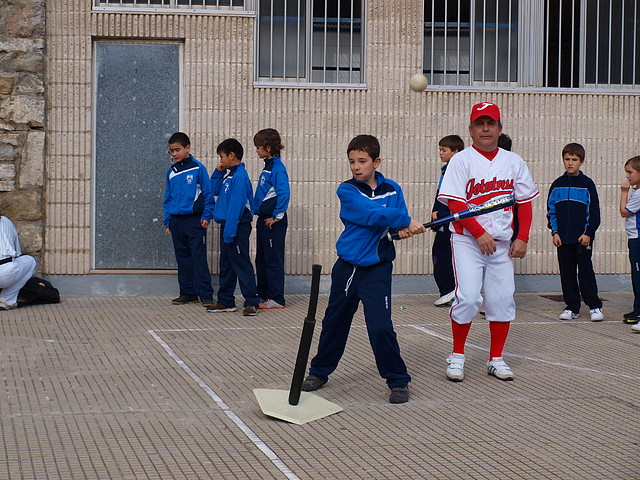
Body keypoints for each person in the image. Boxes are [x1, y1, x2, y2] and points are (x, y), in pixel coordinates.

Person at [301, 134, 426, 404]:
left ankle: (398, 380)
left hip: (377, 270)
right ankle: (319, 372)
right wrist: (404, 219)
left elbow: (393, 224)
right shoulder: (346, 191)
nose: (356, 167)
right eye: (351, 162)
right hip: (347, 268)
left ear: (376, 161)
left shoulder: (393, 189)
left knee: (381, 327)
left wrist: (401, 230)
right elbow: (369, 214)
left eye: (362, 161)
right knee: (334, 323)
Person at [437, 102, 539, 382]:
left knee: (502, 300)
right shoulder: (461, 160)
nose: (485, 128)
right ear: (470, 130)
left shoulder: (513, 161)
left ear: (499, 128)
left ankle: (496, 359)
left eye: (490, 123)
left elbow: (525, 203)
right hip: (468, 241)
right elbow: (456, 204)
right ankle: (457, 355)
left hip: (502, 244)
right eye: (480, 123)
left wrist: (522, 236)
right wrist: (479, 233)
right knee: (468, 298)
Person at [547, 143, 603, 322]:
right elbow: (551, 211)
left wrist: (588, 233)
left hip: (582, 238)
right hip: (562, 238)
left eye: (574, 160)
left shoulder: (587, 185)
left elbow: (594, 213)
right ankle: (572, 307)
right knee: (567, 272)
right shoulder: (557, 185)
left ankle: (594, 306)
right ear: (563, 160)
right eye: (567, 159)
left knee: (585, 271)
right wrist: (555, 232)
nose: (570, 163)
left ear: (582, 162)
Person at [207, 138, 260, 317]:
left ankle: (252, 301)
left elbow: (236, 206)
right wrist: (217, 172)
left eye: (222, 157)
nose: (220, 160)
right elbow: (213, 191)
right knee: (226, 264)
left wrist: (230, 232)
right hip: (228, 226)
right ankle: (225, 301)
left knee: (241, 263)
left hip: (237, 227)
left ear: (232, 155)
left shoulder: (239, 176)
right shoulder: (229, 175)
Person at [164, 132, 215, 307]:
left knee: (198, 257)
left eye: (177, 150)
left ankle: (206, 294)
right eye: (172, 151)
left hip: (194, 220)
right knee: (182, 257)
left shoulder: (198, 168)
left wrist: (207, 215)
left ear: (188, 148)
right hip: (176, 222)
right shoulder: (172, 172)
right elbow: (168, 198)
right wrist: (167, 220)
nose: (175, 154)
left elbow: (208, 195)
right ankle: (187, 293)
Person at [252, 128, 290, 309]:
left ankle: (276, 298)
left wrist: (277, 217)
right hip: (263, 219)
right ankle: (263, 294)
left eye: (258, 147)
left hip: (273, 221)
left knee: (273, 260)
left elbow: (284, 193)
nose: (256, 151)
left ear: (268, 147)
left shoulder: (278, 168)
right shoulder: (267, 167)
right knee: (262, 259)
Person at [431, 135, 464, 306]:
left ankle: (450, 289)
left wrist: (443, 214)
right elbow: (440, 195)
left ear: (456, 152)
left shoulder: (458, 170)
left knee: (443, 255)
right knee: (440, 254)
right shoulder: (445, 170)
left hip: (450, 220)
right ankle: (448, 291)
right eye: (440, 150)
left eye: (444, 150)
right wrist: (434, 214)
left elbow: (454, 198)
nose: (440, 153)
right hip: (442, 220)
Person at [619, 155, 640, 330]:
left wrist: (624, 193)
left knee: (638, 276)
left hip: (638, 239)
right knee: (635, 275)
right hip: (634, 238)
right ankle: (636, 309)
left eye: (630, 172)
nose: (628, 176)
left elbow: (625, 212)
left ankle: (639, 312)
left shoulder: (639, 193)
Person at [0, 216, 37, 310]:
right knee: (30, 261)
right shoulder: (5, 221)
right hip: (6, 271)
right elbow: (17, 253)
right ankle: (6, 300)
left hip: (5, 270)